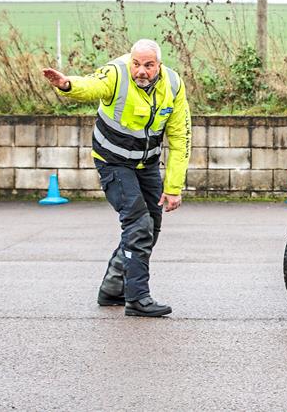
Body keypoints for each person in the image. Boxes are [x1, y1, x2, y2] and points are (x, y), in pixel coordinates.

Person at [42, 39, 191, 316]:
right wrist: (67, 85)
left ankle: (112, 288)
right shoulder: (116, 73)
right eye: (136, 64)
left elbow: (180, 136)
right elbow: (92, 86)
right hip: (113, 162)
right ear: (130, 61)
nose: (141, 71)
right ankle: (137, 298)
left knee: (151, 227)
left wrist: (173, 187)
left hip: (146, 165)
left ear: (159, 65)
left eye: (148, 65)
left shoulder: (173, 84)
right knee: (137, 225)